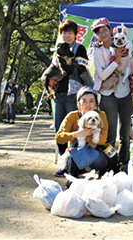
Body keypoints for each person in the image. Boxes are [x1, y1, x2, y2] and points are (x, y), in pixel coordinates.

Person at [91, 17, 133, 166]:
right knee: (110, 134)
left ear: (111, 30)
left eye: (105, 30)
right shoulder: (99, 52)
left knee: (125, 134)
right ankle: (109, 165)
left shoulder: (126, 46)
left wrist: (130, 58)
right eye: (99, 32)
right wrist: (116, 60)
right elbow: (102, 75)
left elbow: (131, 69)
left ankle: (124, 164)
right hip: (108, 95)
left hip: (125, 93)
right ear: (97, 36)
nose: (103, 34)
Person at [55, 87, 119, 187]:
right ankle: (73, 180)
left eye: (91, 101)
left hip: (95, 153)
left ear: (96, 104)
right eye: (84, 101)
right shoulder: (72, 116)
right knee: (73, 155)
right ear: (78, 103)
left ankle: (102, 183)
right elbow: (59, 137)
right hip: (77, 154)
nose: (88, 104)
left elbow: (102, 140)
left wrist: (86, 134)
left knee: (103, 160)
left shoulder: (101, 115)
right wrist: (77, 134)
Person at [53, 19, 89, 176]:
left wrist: (69, 60)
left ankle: (72, 163)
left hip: (72, 93)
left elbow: (82, 67)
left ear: (75, 34)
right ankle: (63, 162)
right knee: (59, 129)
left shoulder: (79, 48)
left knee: (73, 128)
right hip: (58, 93)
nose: (66, 35)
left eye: (69, 32)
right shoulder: (57, 50)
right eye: (64, 33)